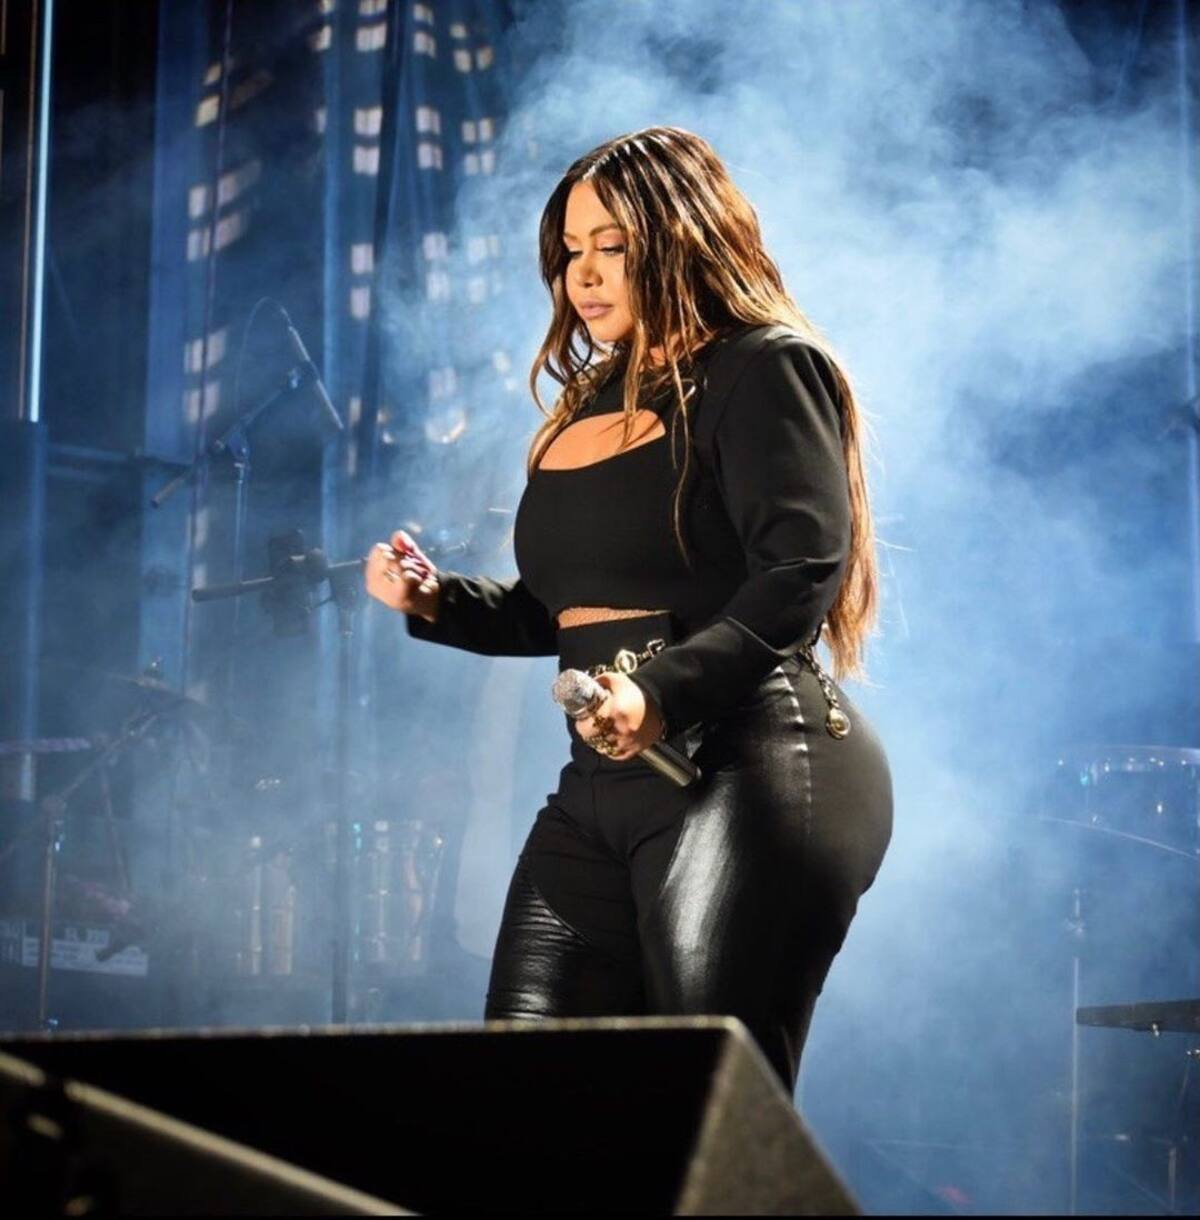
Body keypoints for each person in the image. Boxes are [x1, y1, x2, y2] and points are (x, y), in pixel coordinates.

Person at [364, 126, 892, 1093]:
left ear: (683, 239)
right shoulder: (589, 400)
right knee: (528, 1102)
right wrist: (437, 599)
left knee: (700, 1106)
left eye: (613, 245)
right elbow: (559, 614)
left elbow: (801, 570)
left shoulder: (763, 365)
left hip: (753, 760)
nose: (585, 274)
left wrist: (660, 692)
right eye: (571, 250)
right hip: (604, 781)